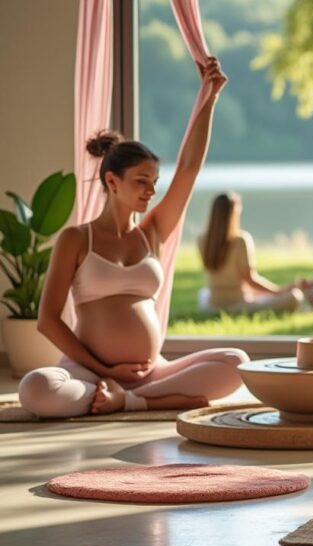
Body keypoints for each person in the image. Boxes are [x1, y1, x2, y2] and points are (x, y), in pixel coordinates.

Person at [18, 57, 248, 417]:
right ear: (112, 181)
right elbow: (48, 320)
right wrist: (106, 371)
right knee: (36, 388)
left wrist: (210, 98)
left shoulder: (151, 233)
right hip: (90, 374)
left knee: (236, 362)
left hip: (150, 372)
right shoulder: (77, 239)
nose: (150, 191)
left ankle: (130, 401)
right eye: (141, 181)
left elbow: (188, 168)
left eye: (154, 182)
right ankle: (131, 398)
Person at [197, 191, 302, 314]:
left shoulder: (201, 240)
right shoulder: (241, 240)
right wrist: (278, 291)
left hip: (212, 305)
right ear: (234, 212)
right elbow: (250, 279)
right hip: (239, 304)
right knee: (295, 296)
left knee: (203, 293)